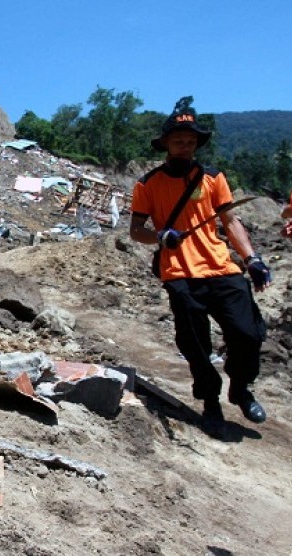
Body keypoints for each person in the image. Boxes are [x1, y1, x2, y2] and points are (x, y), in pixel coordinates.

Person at [129, 103, 271, 438]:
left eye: (191, 140)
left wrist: (251, 258)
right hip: (179, 272)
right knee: (195, 344)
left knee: (248, 333)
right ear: (166, 143)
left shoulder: (212, 178)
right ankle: (211, 401)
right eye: (178, 140)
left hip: (221, 268)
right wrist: (161, 236)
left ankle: (240, 387)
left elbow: (230, 220)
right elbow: (136, 230)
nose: (185, 145)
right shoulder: (148, 184)